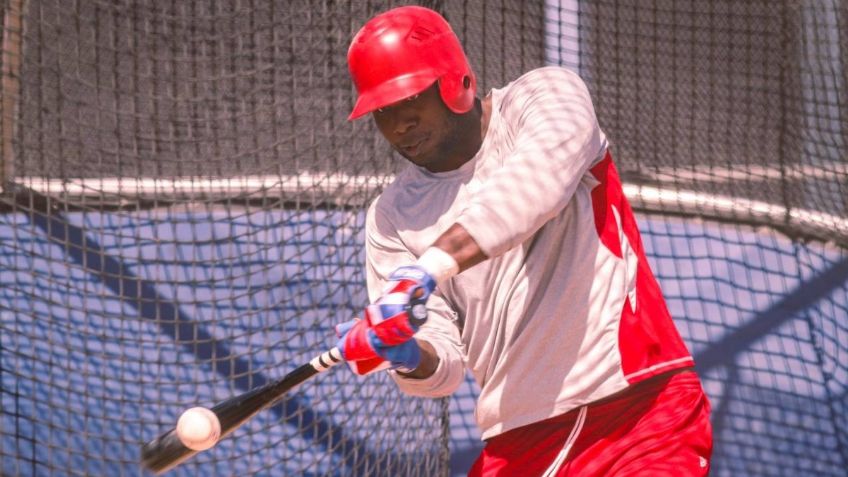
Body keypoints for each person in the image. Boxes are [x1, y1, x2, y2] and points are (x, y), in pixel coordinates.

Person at [335, 6, 713, 476]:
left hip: (636, 410)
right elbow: (444, 366)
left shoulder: (545, 95)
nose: (399, 124)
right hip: (520, 438)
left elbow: (534, 189)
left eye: (410, 98)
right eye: (382, 111)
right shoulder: (391, 218)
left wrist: (429, 268)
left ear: (453, 81)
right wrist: (409, 355)